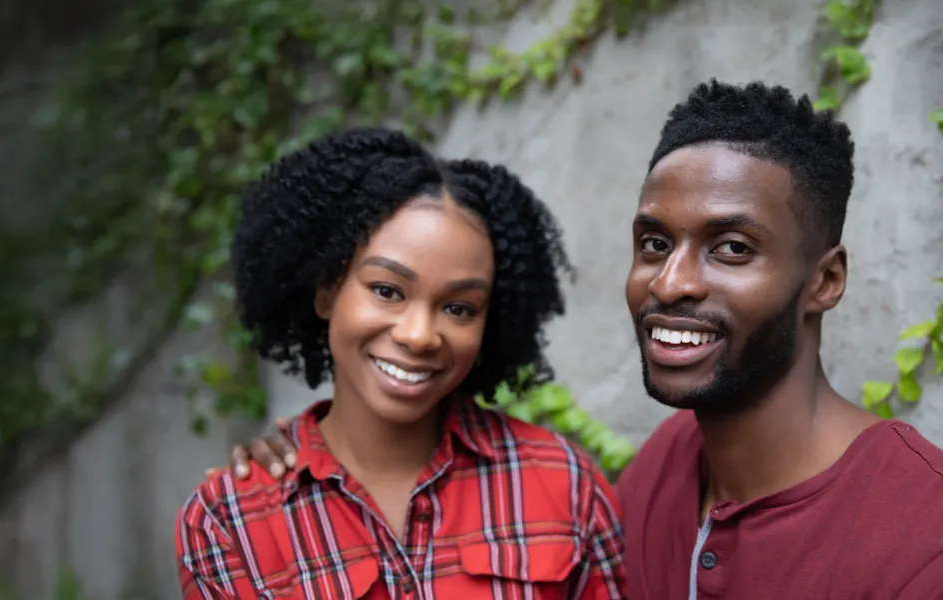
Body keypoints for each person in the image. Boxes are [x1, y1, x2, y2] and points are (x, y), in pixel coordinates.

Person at [220, 80, 943, 599]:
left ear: (825, 280)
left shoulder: (921, 534)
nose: (670, 282)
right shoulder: (659, 473)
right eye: (655, 242)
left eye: (730, 248)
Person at [174, 127, 626, 600]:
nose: (419, 335)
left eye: (459, 308)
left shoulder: (564, 484)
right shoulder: (231, 523)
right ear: (327, 291)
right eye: (387, 290)